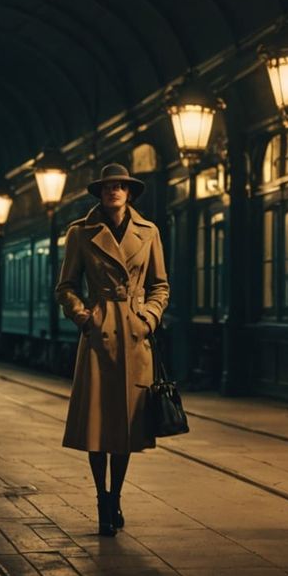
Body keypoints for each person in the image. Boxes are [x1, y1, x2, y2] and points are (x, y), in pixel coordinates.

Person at [55, 163, 169, 536]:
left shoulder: (149, 232)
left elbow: (160, 285)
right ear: (100, 193)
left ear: (129, 192)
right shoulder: (80, 232)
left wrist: (148, 319)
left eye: (120, 185)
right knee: (96, 425)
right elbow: (66, 286)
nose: (113, 190)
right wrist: (83, 316)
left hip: (134, 337)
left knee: (126, 427)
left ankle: (115, 496)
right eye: (107, 186)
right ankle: (101, 498)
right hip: (98, 336)